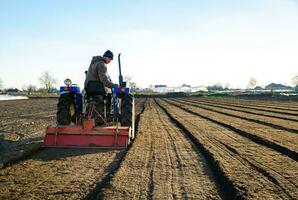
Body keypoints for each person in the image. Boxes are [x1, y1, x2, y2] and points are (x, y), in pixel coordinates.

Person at [84, 50, 118, 124]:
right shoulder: (102, 65)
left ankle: (86, 114)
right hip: (98, 89)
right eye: (110, 59)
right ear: (107, 57)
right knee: (110, 94)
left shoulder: (93, 63)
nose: (110, 61)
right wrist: (113, 85)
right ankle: (108, 115)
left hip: (89, 88)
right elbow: (104, 80)